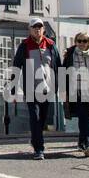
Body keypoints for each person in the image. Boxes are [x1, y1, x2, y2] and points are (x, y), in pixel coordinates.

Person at [12, 19, 60, 159]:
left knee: (42, 119)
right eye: (34, 27)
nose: (37, 29)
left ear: (43, 29)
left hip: (47, 88)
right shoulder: (24, 46)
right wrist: (13, 89)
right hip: (31, 88)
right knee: (35, 117)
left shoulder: (50, 45)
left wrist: (61, 87)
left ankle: (35, 140)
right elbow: (16, 67)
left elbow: (58, 66)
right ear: (30, 29)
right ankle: (39, 149)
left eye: (40, 27)